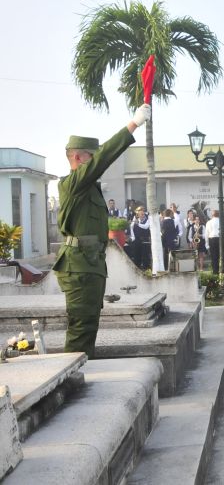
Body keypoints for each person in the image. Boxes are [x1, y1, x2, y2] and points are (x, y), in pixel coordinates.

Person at [52, 104, 150, 358]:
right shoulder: (72, 184)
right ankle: (71, 378)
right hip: (79, 265)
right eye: (90, 158)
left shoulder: (89, 188)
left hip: (90, 264)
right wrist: (133, 124)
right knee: (81, 328)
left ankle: (81, 372)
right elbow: (105, 156)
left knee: (89, 325)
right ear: (77, 158)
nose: (95, 163)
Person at [206, 210, 224, 274]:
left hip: (212, 240)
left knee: (214, 257)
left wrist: (207, 245)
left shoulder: (209, 222)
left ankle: (215, 272)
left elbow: (206, 234)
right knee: (221, 256)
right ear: (218, 215)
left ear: (212, 215)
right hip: (220, 239)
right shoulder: (222, 222)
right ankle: (222, 271)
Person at [130, 206, 151, 270]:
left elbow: (146, 227)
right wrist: (132, 237)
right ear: (138, 215)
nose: (142, 215)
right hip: (137, 241)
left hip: (145, 241)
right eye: (140, 214)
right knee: (137, 256)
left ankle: (146, 270)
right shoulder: (136, 220)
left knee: (145, 257)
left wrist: (137, 224)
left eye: (143, 213)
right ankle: (137, 269)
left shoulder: (148, 220)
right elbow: (131, 228)